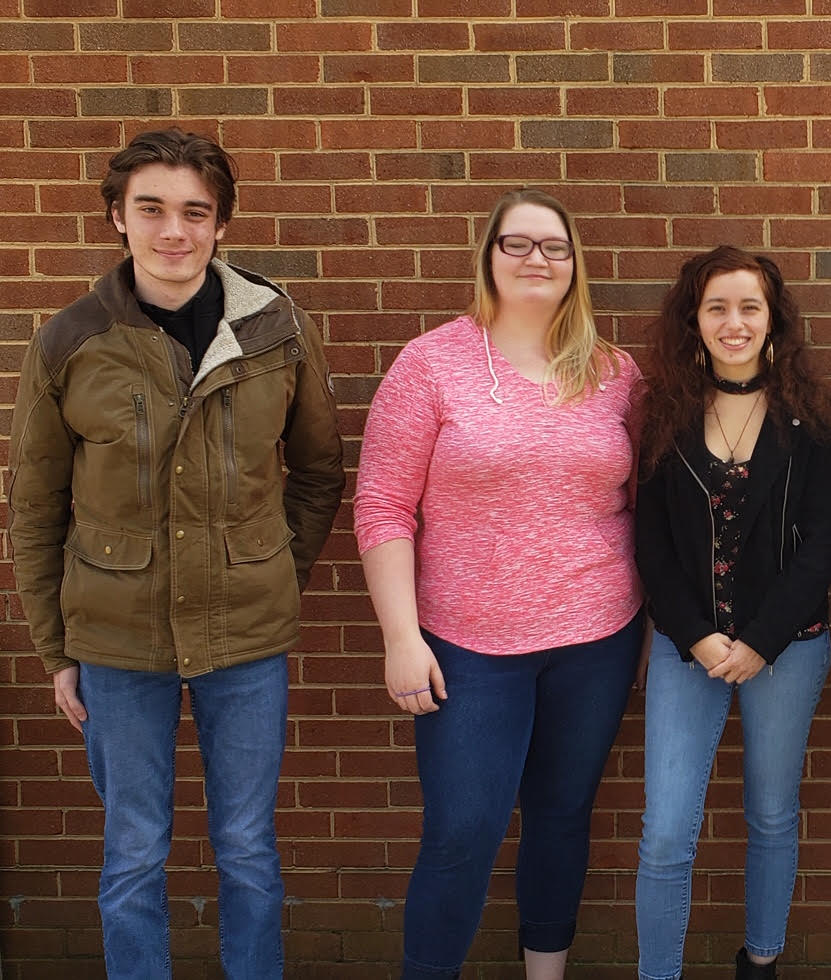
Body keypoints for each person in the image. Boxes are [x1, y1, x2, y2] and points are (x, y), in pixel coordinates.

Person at [7, 127, 345, 979]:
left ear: (221, 225)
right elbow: (35, 509)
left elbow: (317, 471)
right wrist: (58, 647)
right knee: (131, 855)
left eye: (196, 212)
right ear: (118, 217)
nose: (174, 232)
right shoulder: (69, 341)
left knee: (247, 850)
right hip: (118, 642)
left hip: (248, 639)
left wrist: (268, 569)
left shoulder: (276, 327)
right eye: (151, 209)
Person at [354, 188, 645, 980]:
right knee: (462, 831)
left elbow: (646, 495)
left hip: (597, 637)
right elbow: (382, 504)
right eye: (516, 244)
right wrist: (402, 639)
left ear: (575, 265)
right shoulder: (432, 364)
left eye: (553, 246)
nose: (535, 260)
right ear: (488, 257)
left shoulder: (616, 374)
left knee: (560, 818)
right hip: (467, 645)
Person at [633, 245, 831, 980]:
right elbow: (650, 542)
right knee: (665, 834)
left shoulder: (810, 415)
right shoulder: (662, 412)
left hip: (786, 650)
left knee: (771, 816)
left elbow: (824, 543)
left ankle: (760, 962)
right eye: (717, 306)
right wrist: (697, 635)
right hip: (684, 648)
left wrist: (757, 640)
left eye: (749, 306)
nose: (734, 321)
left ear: (771, 317)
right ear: (694, 319)